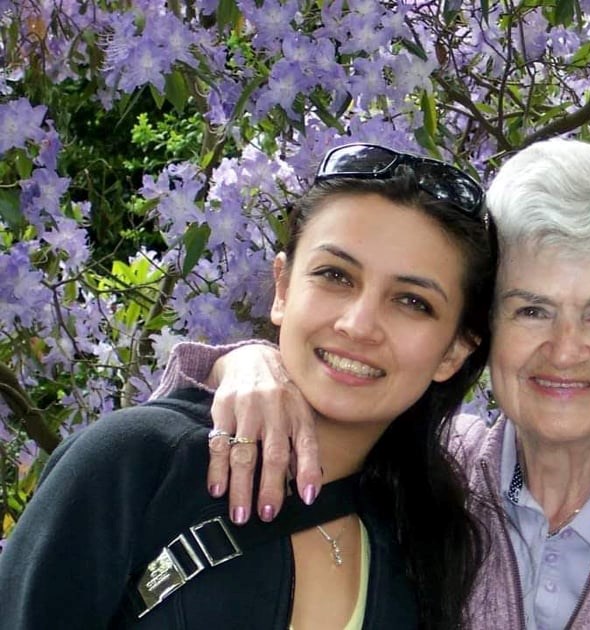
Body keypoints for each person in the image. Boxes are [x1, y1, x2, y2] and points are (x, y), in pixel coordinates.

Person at [151, 139, 590, 628]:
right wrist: (242, 363)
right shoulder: (435, 476)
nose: (565, 351)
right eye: (530, 309)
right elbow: (327, 398)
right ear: (480, 337)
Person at [0, 143, 498, 629]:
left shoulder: (427, 546)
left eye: (412, 302)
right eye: (335, 275)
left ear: (454, 350)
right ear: (282, 289)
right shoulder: (138, 463)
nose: (358, 324)